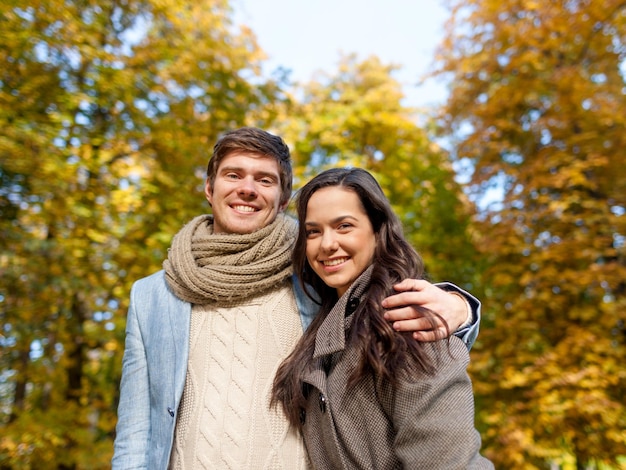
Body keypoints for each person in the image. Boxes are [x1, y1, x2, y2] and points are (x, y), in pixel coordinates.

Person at [112, 127, 482, 469]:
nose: (247, 188)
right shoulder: (152, 296)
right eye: (233, 175)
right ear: (209, 188)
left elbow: (377, 299)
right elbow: (134, 432)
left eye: (265, 180)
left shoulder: (308, 272)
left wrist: (460, 308)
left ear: (284, 197)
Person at [271, 167, 493, 469]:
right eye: (313, 231)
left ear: (378, 231)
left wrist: (461, 306)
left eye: (344, 226)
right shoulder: (319, 328)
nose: (326, 244)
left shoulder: (408, 324)